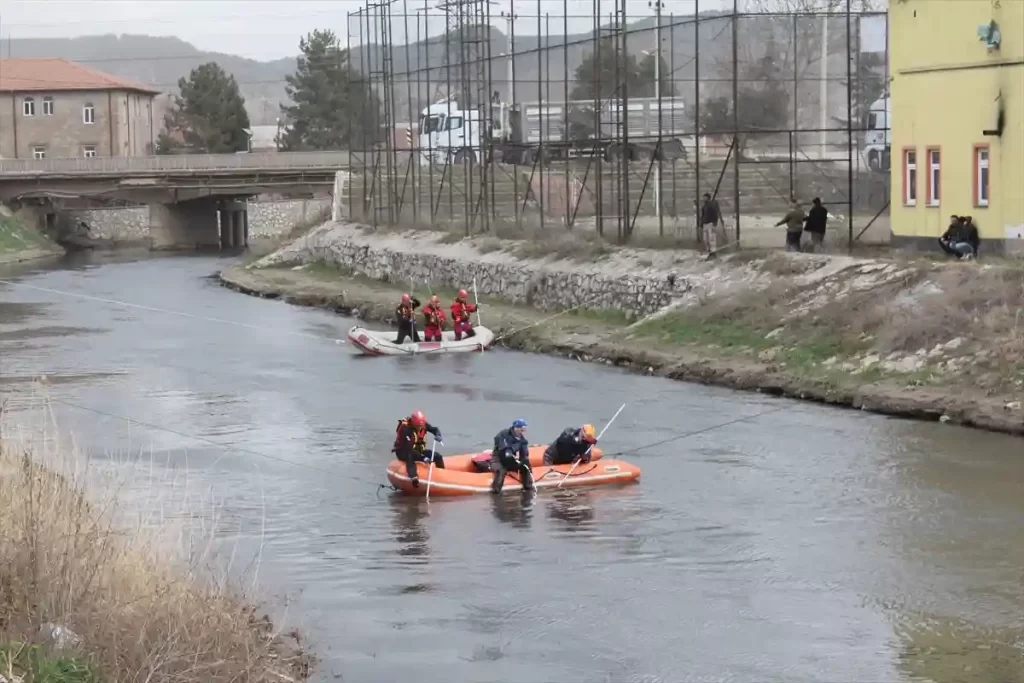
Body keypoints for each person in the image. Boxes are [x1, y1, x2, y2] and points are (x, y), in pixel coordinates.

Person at [392, 410, 443, 488]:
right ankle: (414, 477)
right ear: (413, 423)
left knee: (437, 456)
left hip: (419, 450)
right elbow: (409, 449)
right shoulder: (406, 429)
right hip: (404, 451)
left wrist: (438, 435)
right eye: (418, 426)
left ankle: (442, 475)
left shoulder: (423, 425)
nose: (419, 428)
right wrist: (423, 458)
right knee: (410, 456)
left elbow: (434, 429)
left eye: (421, 426)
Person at [490, 418, 534, 494]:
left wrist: (523, 462)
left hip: (510, 460)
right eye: (521, 429)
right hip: (498, 459)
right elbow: (500, 444)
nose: (522, 431)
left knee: (526, 465)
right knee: (500, 470)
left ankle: (528, 488)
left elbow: (524, 455)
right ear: (515, 428)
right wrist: (508, 450)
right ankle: (496, 492)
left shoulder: (523, 441)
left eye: (523, 429)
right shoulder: (503, 434)